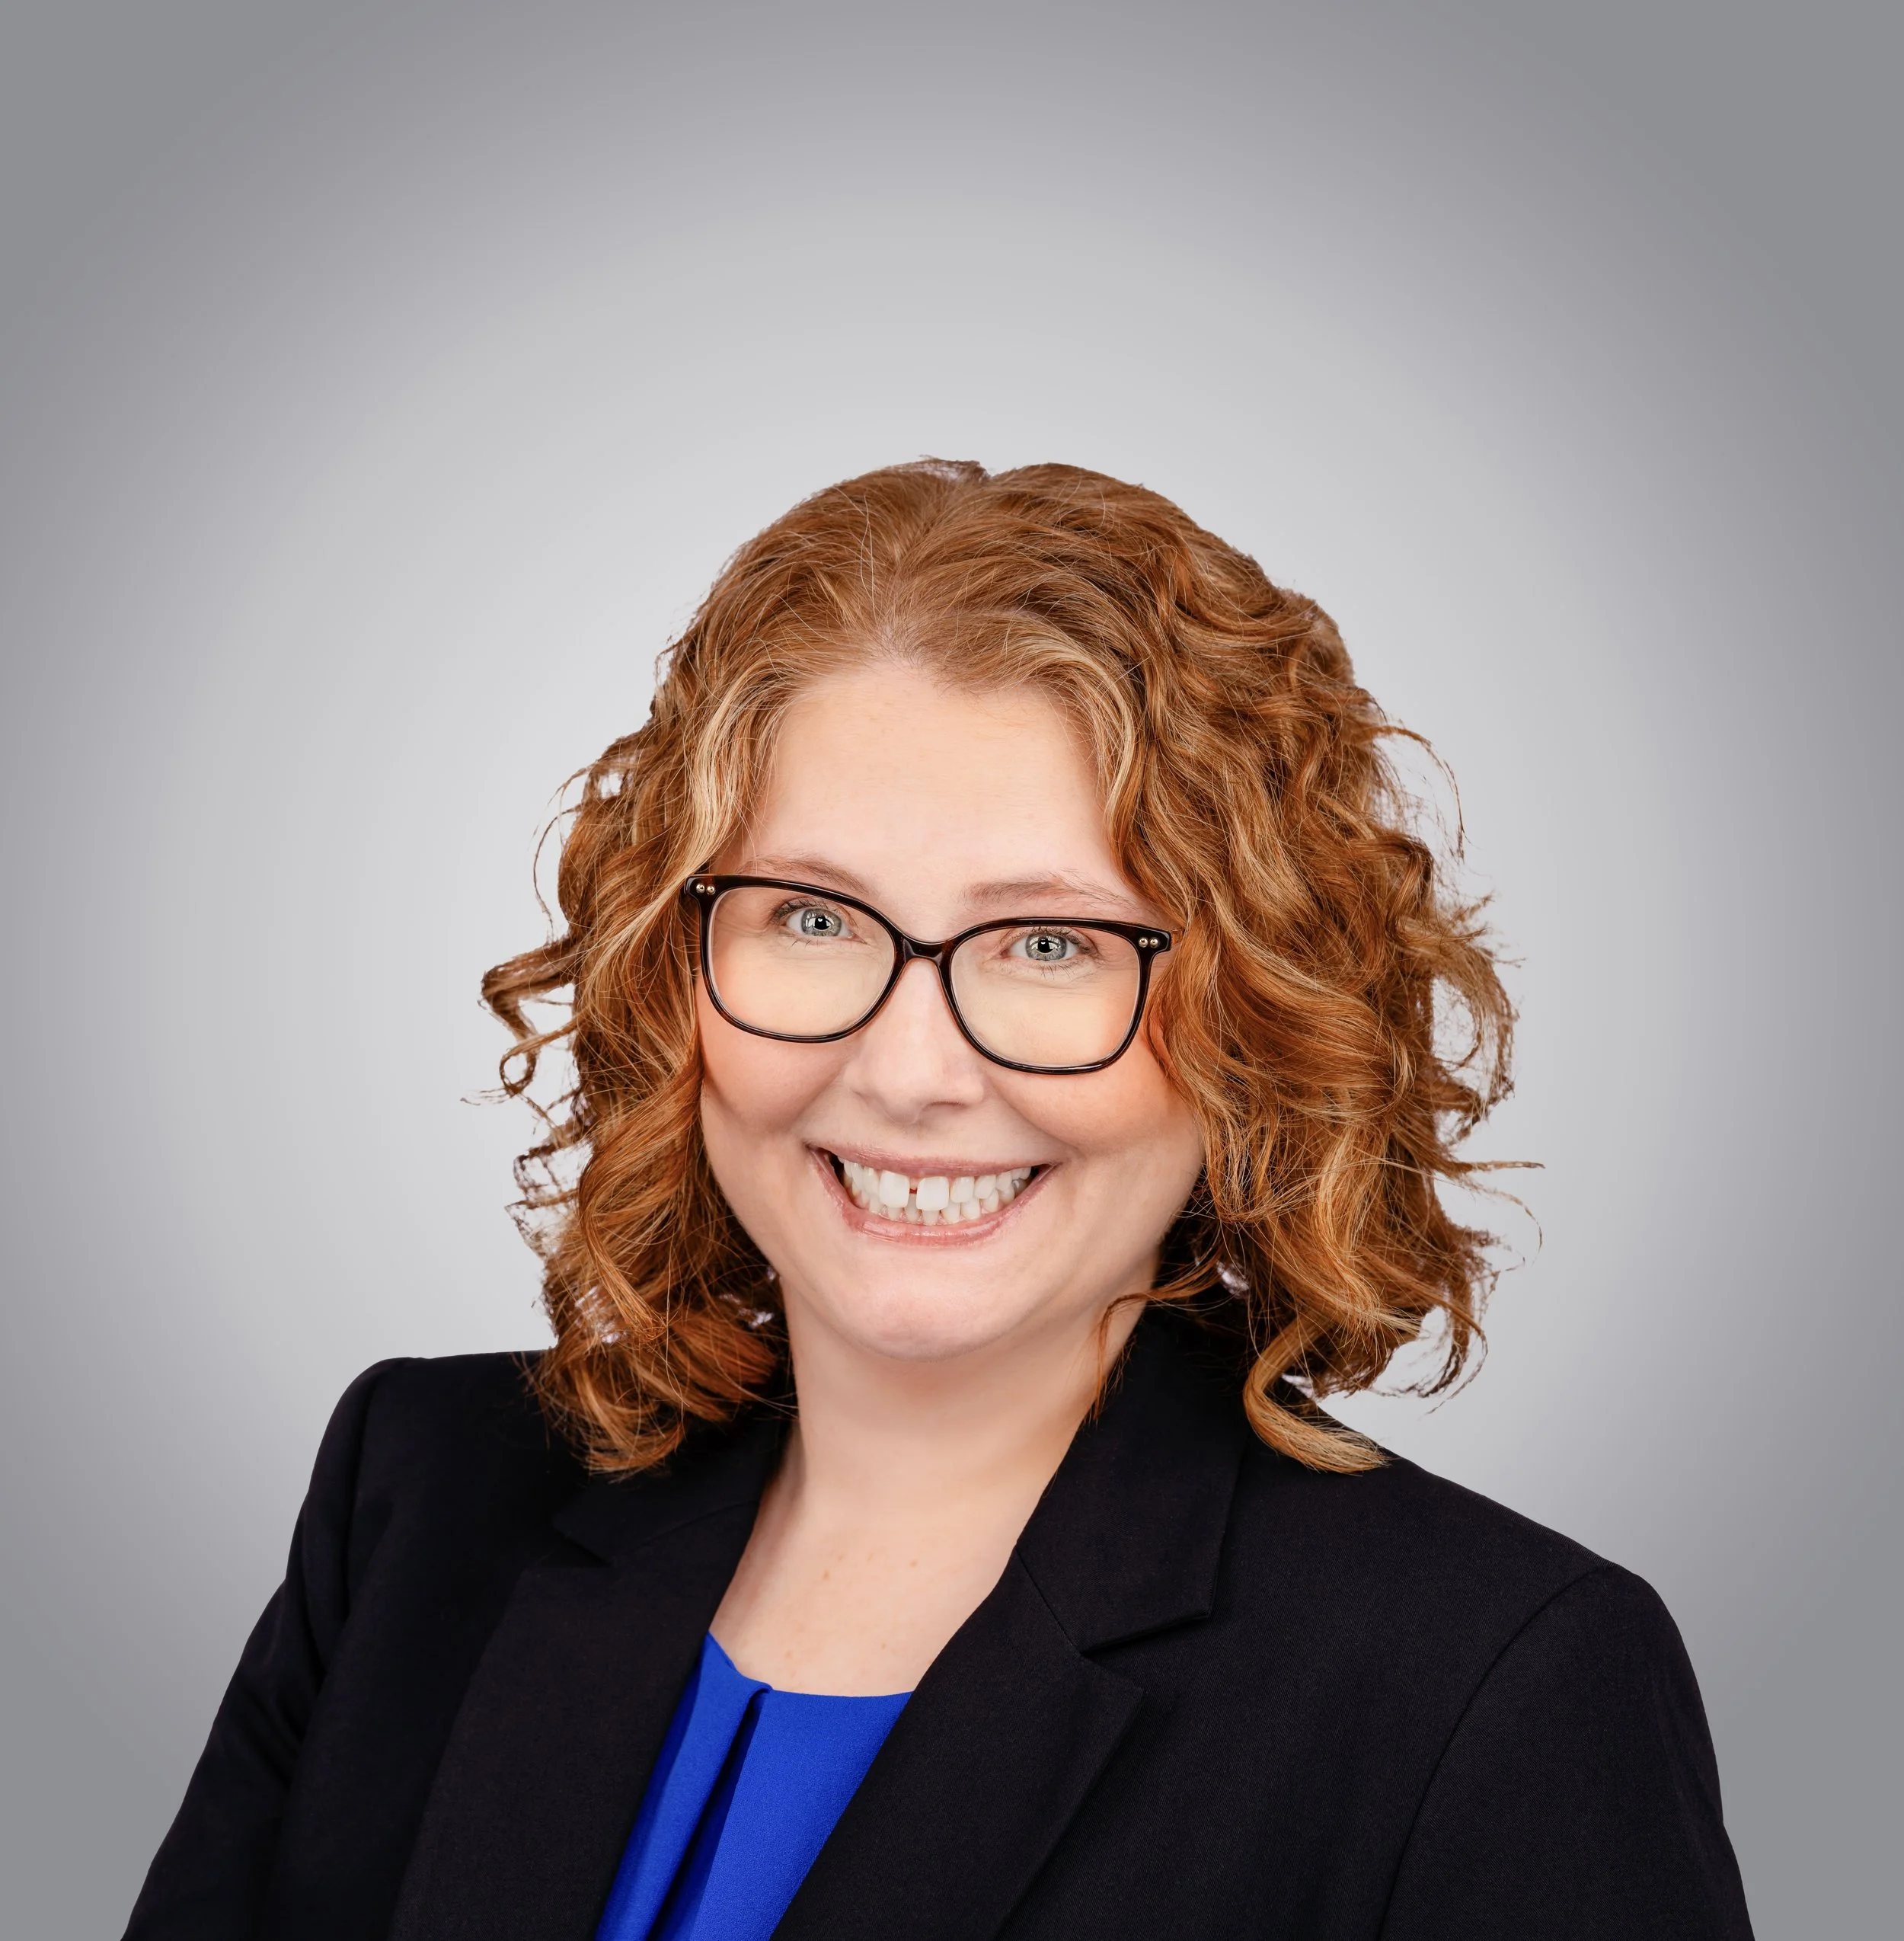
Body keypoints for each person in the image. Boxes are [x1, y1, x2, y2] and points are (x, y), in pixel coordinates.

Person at [124, 460, 1755, 1940]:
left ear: (1257, 1019)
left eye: (1049, 942)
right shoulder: (418, 1504)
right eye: (812, 919)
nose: (907, 1069)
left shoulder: (1492, 1683)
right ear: (669, 969)